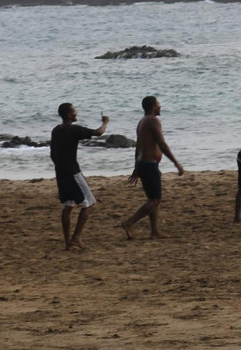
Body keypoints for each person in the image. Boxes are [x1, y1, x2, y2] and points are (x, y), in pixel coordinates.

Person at [121, 96, 184, 240]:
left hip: (144, 164)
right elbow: (161, 143)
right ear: (152, 106)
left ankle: (154, 231)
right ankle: (129, 223)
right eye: (158, 104)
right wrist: (176, 162)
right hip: (149, 165)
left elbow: (139, 147)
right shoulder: (153, 120)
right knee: (155, 200)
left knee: (152, 198)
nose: (160, 107)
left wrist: (136, 166)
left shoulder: (141, 122)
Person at [50, 103, 109, 250]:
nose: (76, 114)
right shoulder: (74, 129)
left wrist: (59, 166)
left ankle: (67, 243)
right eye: (75, 112)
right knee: (89, 203)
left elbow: (52, 153)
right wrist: (105, 122)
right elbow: (98, 133)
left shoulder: (56, 130)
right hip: (73, 172)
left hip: (60, 172)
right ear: (70, 115)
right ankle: (76, 237)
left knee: (67, 206)